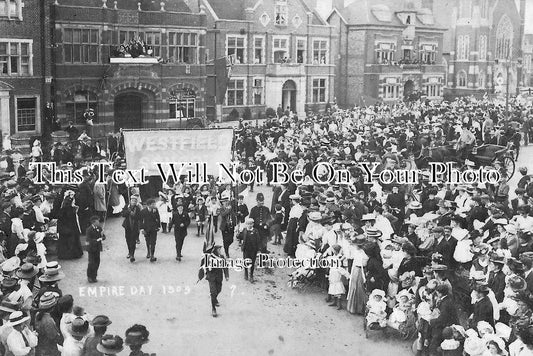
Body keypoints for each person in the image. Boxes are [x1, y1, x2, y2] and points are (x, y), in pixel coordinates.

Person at [346, 235, 369, 315]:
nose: (356, 246)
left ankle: (360, 308)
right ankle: (353, 307)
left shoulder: (364, 253)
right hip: (355, 269)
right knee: (353, 287)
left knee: (359, 288)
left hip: (360, 270)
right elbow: (350, 257)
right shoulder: (355, 251)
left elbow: (364, 264)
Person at [204, 245, 229, 317]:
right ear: (215, 250)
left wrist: (226, 276)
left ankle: (214, 299)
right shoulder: (209, 257)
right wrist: (208, 270)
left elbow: (225, 267)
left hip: (219, 277)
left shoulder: (221, 257)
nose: (220, 251)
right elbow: (205, 267)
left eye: (220, 250)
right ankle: (213, 309)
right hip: (211, 278)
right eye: (218, 250)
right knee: (213, 292)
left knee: (219, 290)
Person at [57, 193, 83, 260]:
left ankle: (64, 254)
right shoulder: (71, 211)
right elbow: (74, 222)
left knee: (64, 242)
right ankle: (74, 254)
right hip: (71, 229)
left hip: (63, 229)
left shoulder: (61, 210)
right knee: (72, 241)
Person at [35, 292, 62, 356]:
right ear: (52, 307)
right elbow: (53, 336)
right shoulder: (49, 321)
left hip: (41, 344)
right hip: (49, 347)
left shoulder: (38, 314)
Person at [122, 195, 142, 263]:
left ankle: (132, 255)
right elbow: (123, 214)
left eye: (135, 201)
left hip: (135, 226)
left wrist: (134, 215)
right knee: (128, 239)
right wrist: (128, 212)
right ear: (130, 201)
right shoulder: (126, 206)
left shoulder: (138, 208)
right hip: (127, 226)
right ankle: (129, 251)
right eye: (132, 200)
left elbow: (139, 217)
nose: (133, 202)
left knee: (133, 240)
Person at [241, 218, 260, 283]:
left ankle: (251, 275)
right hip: (246, 249)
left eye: (251, 224)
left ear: (253, 224)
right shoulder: (244, 230)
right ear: (246, 224)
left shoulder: (255, 231)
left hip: (253, 250)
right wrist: (238, 233)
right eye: (248, 224)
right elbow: (239, 237)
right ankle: (246, 273)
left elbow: (258, 240)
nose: (249, 225)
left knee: (252, 262)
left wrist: (258, 249)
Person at [86, 216, 105, 283]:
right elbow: (88, 240)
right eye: (97, 221)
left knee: (97, 263)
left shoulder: (99, 228)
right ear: (93, 222)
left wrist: (102, 235)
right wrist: (97, 240)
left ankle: (94, 276)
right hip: (91, 249)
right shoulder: (89, 230)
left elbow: (103, 237)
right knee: (91, 263)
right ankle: (89, 276)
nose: (99, 222)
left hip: (97, 249)